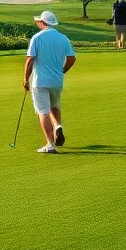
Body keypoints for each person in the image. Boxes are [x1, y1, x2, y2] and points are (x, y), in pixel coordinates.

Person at [22, 10, 76, 154]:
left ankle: (50, 144)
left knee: (43, 112)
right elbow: (71, 59)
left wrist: (25, 79)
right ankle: (57, 125)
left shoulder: (37, 38)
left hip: (40, 81)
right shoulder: (63, 38)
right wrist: (63, 71)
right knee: (55, 107)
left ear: (43, 22)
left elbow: (30, 60)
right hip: (57, 80)